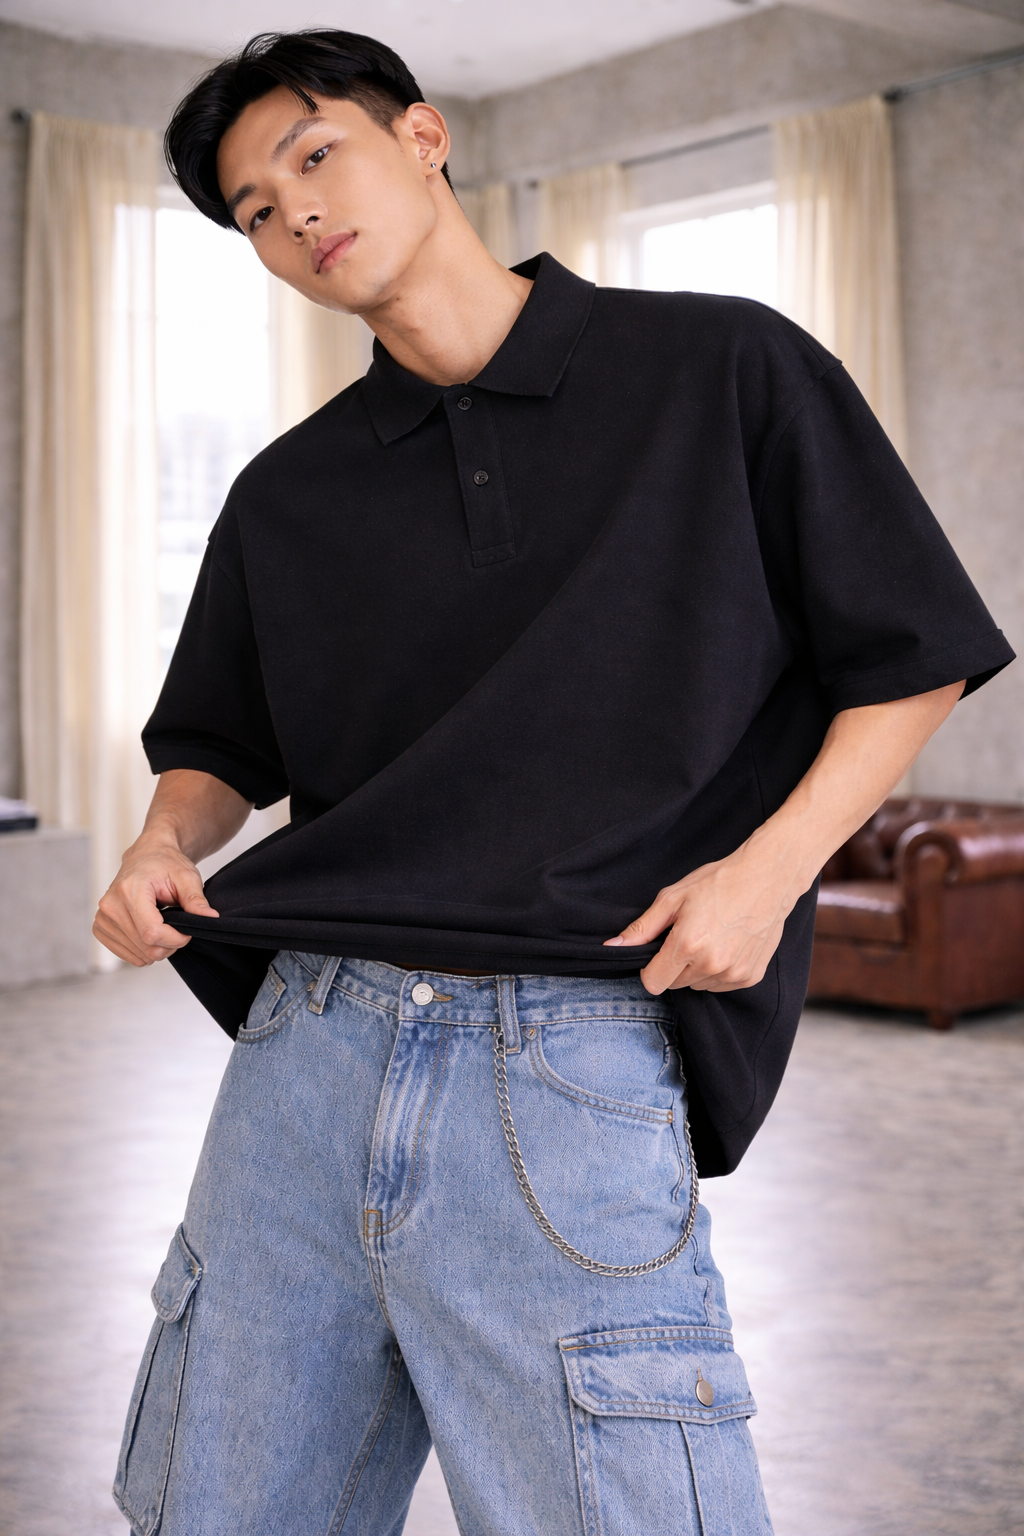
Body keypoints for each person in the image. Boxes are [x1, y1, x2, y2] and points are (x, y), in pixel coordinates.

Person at [95, 29, 1013, 1536]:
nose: (295, 213)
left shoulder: (726, 366)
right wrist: (157, 842)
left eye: (315, 156)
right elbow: (218, 745)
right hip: (302, 1059)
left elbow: (909, 652)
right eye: (255, 209)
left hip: (569, 1056)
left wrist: (768, 873)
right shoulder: (285, 493)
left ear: (424, 137)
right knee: (217, 1514)